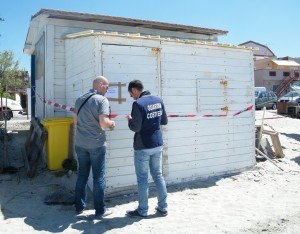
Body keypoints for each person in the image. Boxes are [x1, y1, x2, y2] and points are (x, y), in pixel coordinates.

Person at [73, 75, 115, 219]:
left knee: (82, 175)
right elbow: (104, 123)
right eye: (107, 87)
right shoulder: (101, 100)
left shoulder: (79, 99)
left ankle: (79, 207)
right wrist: (112, 124)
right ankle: (100, 210)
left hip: (80, 143)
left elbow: (75, 121)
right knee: (98, 178)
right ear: (100, 84)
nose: (108, 90)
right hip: (96, 144)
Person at [126, 80, 168, 218]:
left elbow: (135, 128)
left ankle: (142, 210)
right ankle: (163, 208)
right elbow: (164, 121)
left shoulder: (138, 104)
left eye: (131, 94)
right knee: (158, 175)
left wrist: (130, 120)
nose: (132, 97)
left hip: (143, 145)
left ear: (134, 90)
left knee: (143, 179)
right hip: (157, 143)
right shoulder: (158, 100)